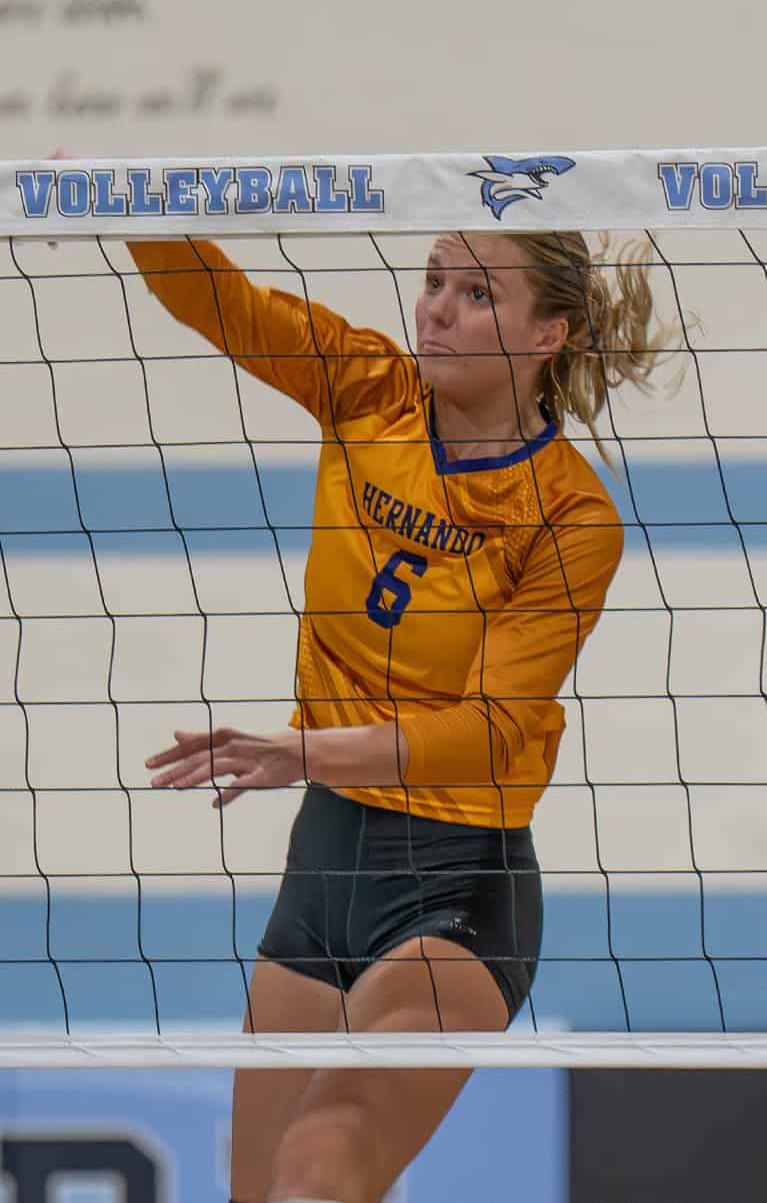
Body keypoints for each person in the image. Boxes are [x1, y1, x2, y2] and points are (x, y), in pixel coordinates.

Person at [131, 230, 672, 1203]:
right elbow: (223, 305)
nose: (433, 308)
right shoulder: (366, 391)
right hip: (323, 864)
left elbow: (490, 729)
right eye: (431, 283)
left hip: (452, 884)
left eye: (475, 293)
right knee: (261, 1194)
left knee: (317, 1170)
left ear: (547, 333)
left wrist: (305, 750)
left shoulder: (567, 514)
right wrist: (128, 197)